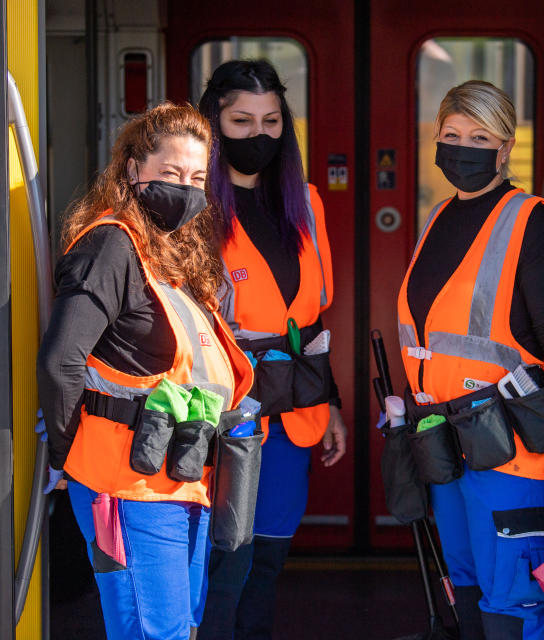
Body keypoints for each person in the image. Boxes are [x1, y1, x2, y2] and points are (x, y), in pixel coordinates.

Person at [37, 102, 254, 640]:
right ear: (133, 171)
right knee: (154, 631)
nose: (187, 187)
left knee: (179, 626)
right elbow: (61, 359)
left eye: (198, 177)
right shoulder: (110, 245)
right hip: (125, 481)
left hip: (183, 474)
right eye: (172, 173)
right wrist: (67, 459)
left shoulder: (173, 252)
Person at [396, 80, 544, 639]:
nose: (462, 147)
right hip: (445, 444)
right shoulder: (439, 218)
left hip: (510, 449)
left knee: (515, 608)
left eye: (479, 136)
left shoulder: (531, 218)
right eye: (452, 134)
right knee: (464, 590)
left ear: (506, 146)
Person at [195, 59, 347, 639]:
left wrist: (329, 399)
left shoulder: (306, 203)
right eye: (241, 120)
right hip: (222, 418)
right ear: (213, 123)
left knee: (267, 564)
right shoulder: (193, 209)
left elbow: (311, 320)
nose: (259, 134)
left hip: (294, 416)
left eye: (271, 120)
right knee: (224, 566)